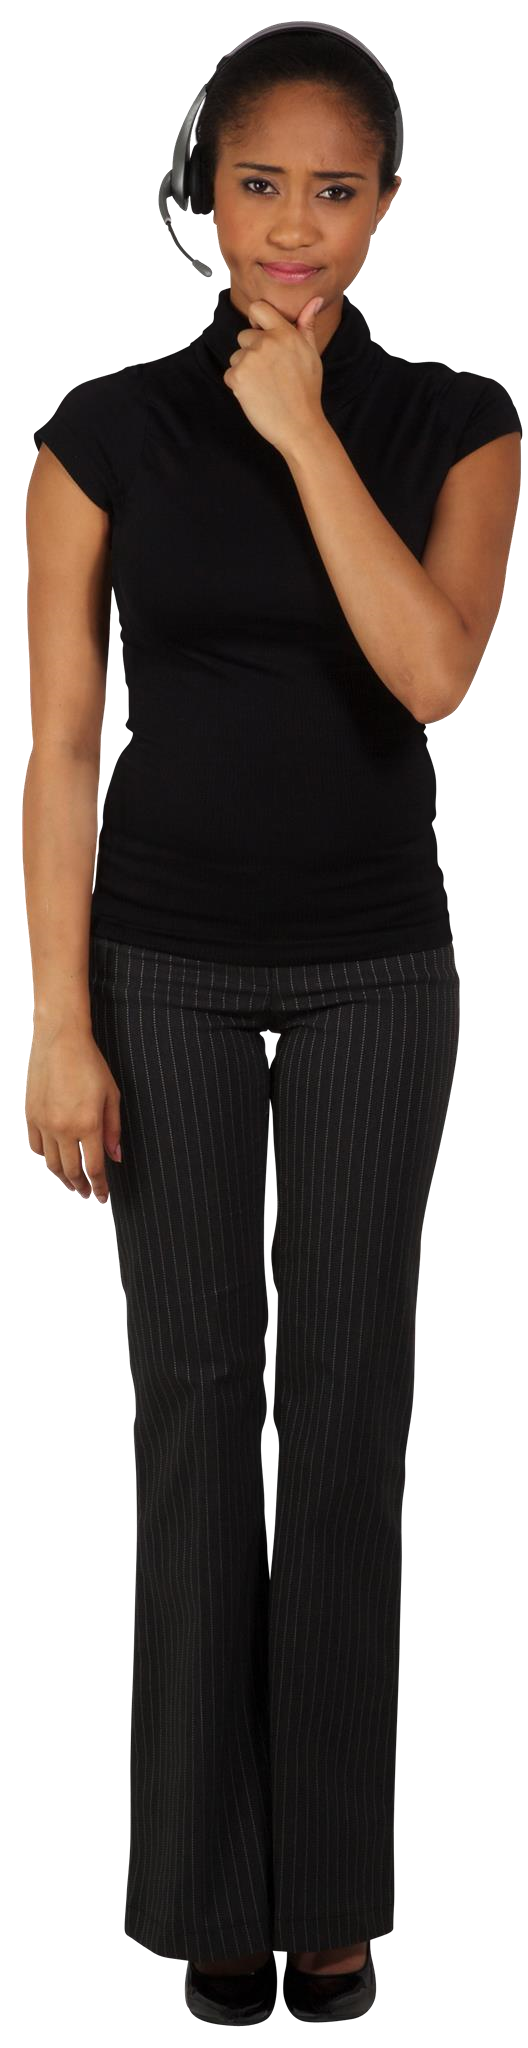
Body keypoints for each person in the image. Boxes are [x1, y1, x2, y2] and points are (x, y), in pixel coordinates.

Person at [24, 29, 520, 2010]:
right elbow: (64, 747)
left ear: (385, 206)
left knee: (346, 1431)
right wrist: (57, 1021)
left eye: (334, 189)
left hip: (379, 975)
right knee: (197, 1418)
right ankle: (202, 1895)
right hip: (159, 974)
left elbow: (434, 674)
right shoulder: (101, 434)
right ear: (202, 198)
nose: (293, 226)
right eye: (259, 186)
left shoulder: (459, 421)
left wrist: (307, 429)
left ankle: (331, 1884)